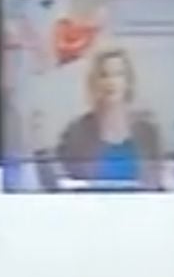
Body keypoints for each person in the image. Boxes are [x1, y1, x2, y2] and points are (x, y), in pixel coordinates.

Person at [54, 49, 165, 189]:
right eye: (104, 75)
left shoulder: (148, 133)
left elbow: (157, 184)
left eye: (118, 74)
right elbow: (60, 185)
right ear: (94, 82)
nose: (111, 82)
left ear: (128, 82)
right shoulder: (76, 132)